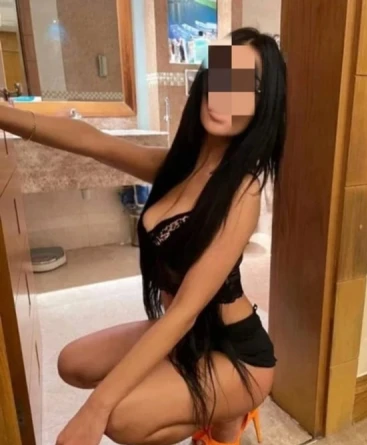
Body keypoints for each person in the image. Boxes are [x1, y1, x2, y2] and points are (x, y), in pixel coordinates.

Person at [0, 27, 286, 445]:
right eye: (221, 75)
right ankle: (216, 406)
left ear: (263, 104)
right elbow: (93, 142)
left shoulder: (243, 191)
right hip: (191, 338)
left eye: (245, 85)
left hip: (237, 352)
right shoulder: (177, 168)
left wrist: (95, 408)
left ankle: (227, 413)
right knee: (72, 363)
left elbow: (184, 312)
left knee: (121, 417)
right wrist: (4, 115)